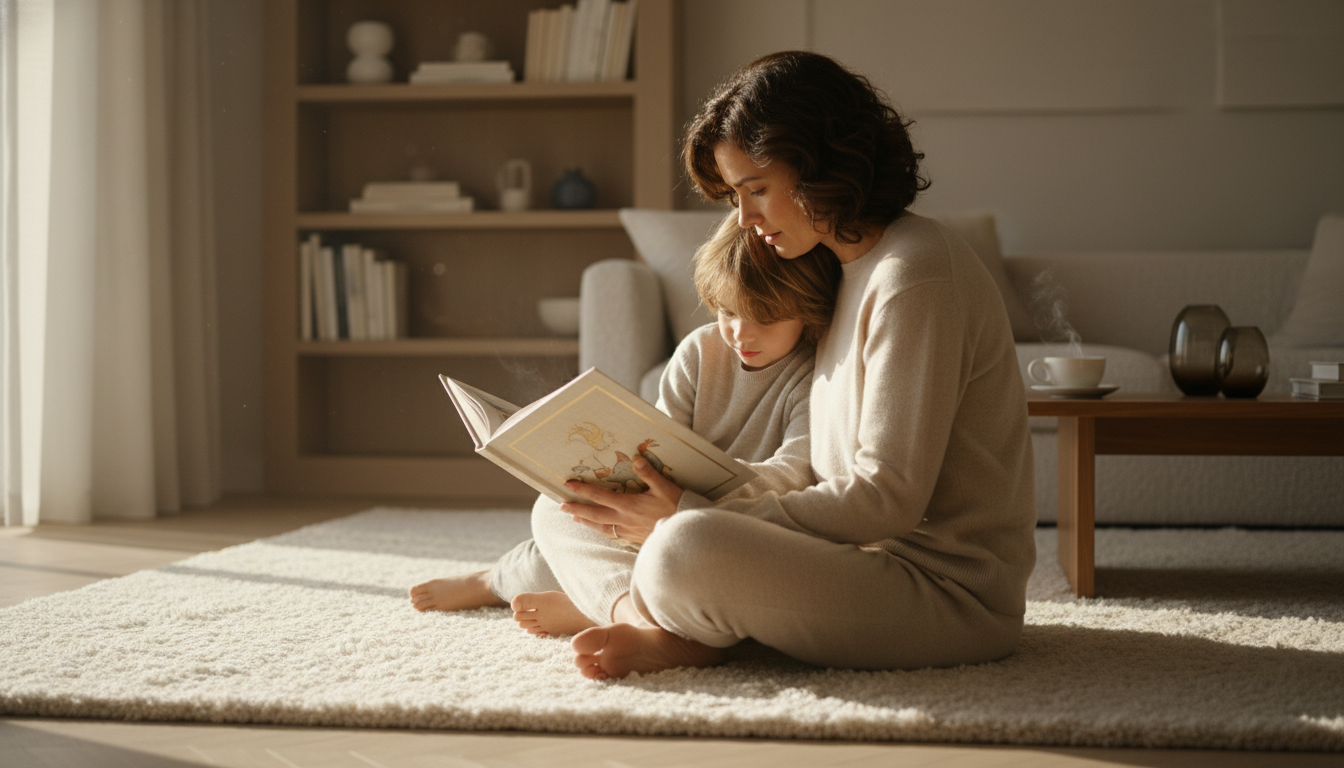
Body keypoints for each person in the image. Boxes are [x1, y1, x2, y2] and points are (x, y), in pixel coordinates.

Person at [556, 50, 1037, 681]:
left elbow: (887, 500)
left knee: (683, 546)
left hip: (942, 593)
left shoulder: (915, 275)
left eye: (756, 190)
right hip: (846, 559)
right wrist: (678, 498)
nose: (745, 220)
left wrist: (694, 515)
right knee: (563, 507)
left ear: (822, 166)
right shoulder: (840, 274)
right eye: (735, 195)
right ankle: (657, 620)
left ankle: (673, 616)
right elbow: (813, 471)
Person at [408, 211, 843, 639]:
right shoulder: (699, 353)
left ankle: (601, 606)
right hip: (646, 522)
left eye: (764, 319)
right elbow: (658, 441)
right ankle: (520, 586)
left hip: (718, 531)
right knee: (556, 513)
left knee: (609, 565)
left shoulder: (816, 376)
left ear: (808, 309)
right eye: (728, 313)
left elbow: (794, 475)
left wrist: (690, 503)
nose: (741, 334)